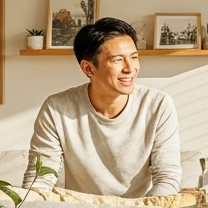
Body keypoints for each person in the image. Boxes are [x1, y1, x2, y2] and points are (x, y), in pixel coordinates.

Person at [24, 17, 182, 197]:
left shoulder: (157, 105)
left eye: (134, 57)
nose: (130, 68)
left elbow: (167, 177)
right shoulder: (57, 109)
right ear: (89, 69)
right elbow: (40, 179)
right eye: (117, 60)